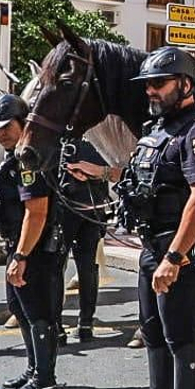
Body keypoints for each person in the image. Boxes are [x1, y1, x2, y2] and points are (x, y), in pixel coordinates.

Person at [72, 47, 195, 389]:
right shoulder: (159, 129)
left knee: (181, 341)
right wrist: (97, 173)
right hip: (151, 248)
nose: (151, 91)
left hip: (179, 252)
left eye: (159, 83)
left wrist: (176, 256)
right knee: (154, 336)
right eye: (147, 85)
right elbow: (142, 177)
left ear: (186, 85)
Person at [0, 93, 63, 389]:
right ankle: (34, 369)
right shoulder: (15, 155)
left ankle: (44, 379)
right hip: (19, 245)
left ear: (22, 122)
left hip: (34, 250)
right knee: (22, 310)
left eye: (6, 127)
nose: (1, 134)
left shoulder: (29, 159)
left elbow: (36, 211)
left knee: (38, 313)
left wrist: (21, 256)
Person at [59, 137, 110, 345]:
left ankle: (58, 327)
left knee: (57, 266)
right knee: (88, 266)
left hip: (67, 209)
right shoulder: (97, 138)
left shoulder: (59, 136)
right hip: (93, 208)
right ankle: (85, 324)